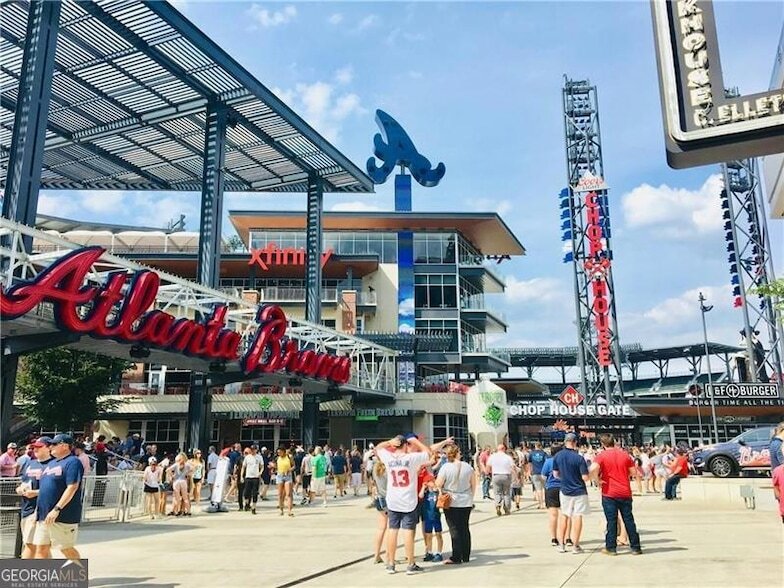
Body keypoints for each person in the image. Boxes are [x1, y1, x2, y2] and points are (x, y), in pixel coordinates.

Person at [375, 434, 433, 575]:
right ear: (406, 445)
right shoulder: (411, 458)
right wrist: (415, 441)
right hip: (408, 500)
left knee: (392, 530)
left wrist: (389, 442)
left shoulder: (388, 457)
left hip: (393, 499)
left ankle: (391, 563)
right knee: (408, 531)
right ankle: (410, 564)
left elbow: (377, 448)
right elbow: (428, 452)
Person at [33, 434, 84, 561]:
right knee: (41, 549)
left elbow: (72, 487)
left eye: (54, 444)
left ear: (65, 446)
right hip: (44, 515)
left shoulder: (73, 462)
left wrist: (57, 508)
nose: (50, 447)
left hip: (62, 515)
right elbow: (46, 488)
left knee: (65, 548)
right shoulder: (51, 463)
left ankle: (79, 570)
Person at [590, 434, 642, 555]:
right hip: (625, 491)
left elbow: (592, 469)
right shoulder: (625, 455)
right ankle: (635, 547)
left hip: (609, 492)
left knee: (611, 521)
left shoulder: (601, 456)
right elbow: (633, 472)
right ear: (614, 442)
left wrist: (597, 480)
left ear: (602, 444)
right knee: (628, 520)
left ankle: (611, 547)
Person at [436, 444, 475, 565]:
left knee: (454, 529)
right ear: (458, 453)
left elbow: (438, 483)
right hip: (466, 500)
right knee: (464, 527)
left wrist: (441, 490)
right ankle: (466, 555)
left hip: (451, 500)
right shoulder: (468, 467)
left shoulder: (446, 467)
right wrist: (471, 497)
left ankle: (456, 556)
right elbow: (473, 484)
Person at [16, 437, 53, 559]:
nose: (35, 449)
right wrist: (20, 488)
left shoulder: (54, 465)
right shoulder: (30, 464)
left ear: (48, 448)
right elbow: (24, 482)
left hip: (43, 511)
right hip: (27, 509)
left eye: (39, 447)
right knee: (39, 547)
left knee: (33, 546)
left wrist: (36, 493)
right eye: (34, 447)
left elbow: (57, 489)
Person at [552, 433, 589, 554]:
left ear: (565, 441)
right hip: (579, 490)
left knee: (564, 515)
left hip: (565, 490)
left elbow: (555, 474)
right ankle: (575, 545)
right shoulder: (579, 458)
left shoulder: (558, 456)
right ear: (575, 442)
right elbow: (585, 477)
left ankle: (561, 545)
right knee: (577, 516)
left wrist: (564, 478)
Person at [541, 444, 568, 547]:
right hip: (563, 487)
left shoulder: (548, 462)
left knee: (553, 515)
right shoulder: (564, 461)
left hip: (551, 488)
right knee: (564, 514)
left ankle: (554, 538)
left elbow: (543, 476)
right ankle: (565, 538)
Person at [419, 474, 444, 562]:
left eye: (433, 481)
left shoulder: (436, 492)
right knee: (428, 535)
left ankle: (439, 552)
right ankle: (429, 552)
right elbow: (420, 496)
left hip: (436, 516)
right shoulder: (426, 493)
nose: (432, 483)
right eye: (430, 481)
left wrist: (439, 489)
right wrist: (423, 487)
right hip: (428, 517)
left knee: (438, 534)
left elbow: (441, 498)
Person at [486, 443, 514, 516]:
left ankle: (498, 505)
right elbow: (512, 467)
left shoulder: (492, 456)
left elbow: (488, 466)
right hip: (506, 475)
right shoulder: (508, 457)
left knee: (497, 493)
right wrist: (515, 476)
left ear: (498, 449)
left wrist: (488, 473)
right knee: (506, 493)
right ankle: (507, 508)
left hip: (496, 475)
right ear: (504, 449)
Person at [371, 459, 388, 564]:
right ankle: (389, 555)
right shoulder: (388, 470)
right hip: (388, 498)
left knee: (381, 528)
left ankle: (376, 555)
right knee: (391, 528)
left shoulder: (375, 469)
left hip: (379, 498)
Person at [241, 445, 264, 514]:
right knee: (246, 492)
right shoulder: (247, 457)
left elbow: (262, 466)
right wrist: (241, 476)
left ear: (256, 450)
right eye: (252, 449)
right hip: (248, 476)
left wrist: (260, 472)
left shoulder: (259, 457)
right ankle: (246, 503)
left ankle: (254, 507)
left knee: (254, 493)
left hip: (255, 477)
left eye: (254, 449)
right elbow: (243, 467)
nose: (253, 451)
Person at [276, 447, 294, 516]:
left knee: (288, 493)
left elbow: (294, 466)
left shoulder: (289, 457)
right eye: (278, 452)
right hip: (280, 475)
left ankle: (289, 510)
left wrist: (289, 470)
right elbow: (276, 467)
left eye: (280, 452)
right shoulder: (277, 458)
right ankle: (281, 510)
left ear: (284, 451)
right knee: (280, 494)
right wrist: (273, 467)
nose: (279, 453)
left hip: (288, 476)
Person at [529, 442, 547, 509]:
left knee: (538, 489)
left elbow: (530, 463)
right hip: (543, 473)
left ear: (535, 446)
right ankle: (546, 503)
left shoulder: (531, 454)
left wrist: (530, 471)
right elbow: (546, 462)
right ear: (541, 446)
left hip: (535, 472)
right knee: (545, 489)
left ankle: (541, 504)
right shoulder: (544, 453)